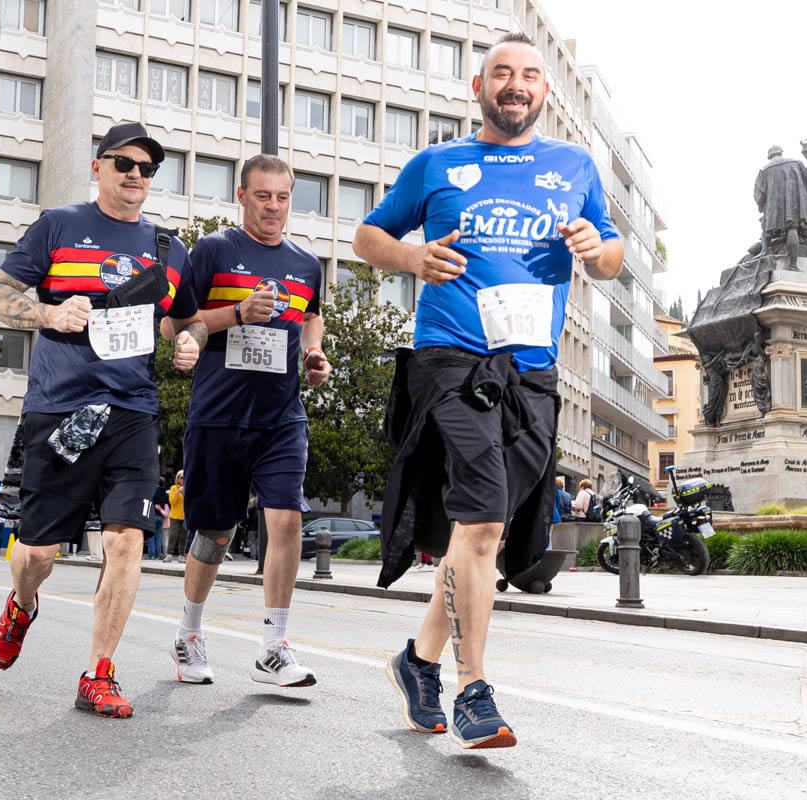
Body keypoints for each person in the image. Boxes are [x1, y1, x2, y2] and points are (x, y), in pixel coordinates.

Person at [352, 32, 622, 749]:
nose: (516, 84)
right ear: (479, 88)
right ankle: (473, 690)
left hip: (530, 371)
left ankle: (417, 661)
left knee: (485, 533)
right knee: (476, 525)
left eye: (530, 75)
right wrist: (411, 255)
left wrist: (599, 251)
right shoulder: (437, 163)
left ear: (543, 93)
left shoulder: (573, 167)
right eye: (502, 73)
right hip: (450, 361)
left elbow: (615, 254)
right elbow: (366, 236)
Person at [0, 122, 200, 717]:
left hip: (132, 410)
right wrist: (49, 314)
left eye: (147, 168)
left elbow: (187, 319)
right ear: (97, 168)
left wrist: (189, 342)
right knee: (36, 555)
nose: (135, 174)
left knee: (127, 539)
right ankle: (22, 604)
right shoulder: (59, 225)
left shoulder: (167, 248)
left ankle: (99, 673)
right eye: (123, 163)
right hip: (60, 407)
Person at [162, 153, 331, 688]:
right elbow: (173, 328)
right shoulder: (212, 251)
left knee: (286, 519)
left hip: (282, 416)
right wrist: (236, 313)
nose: (274, 208)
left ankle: (273, 647)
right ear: (242, 197)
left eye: (282, 198)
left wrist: (313, 355)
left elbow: (311, 317)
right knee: (215, 531)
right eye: (263, 197)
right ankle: (189, 633)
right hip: (218, 415)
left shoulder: (307, 264)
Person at [165, 470, 185, 562]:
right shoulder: (173, 488)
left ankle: (181, 555)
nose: (183, 479)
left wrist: (184, 492)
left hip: (185, 516)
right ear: (178, 479)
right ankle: (169, 555)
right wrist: (178, 492)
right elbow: (172, 501)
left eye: (185, 477)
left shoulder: (189, 487)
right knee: (173, 535)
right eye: (181, 477)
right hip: (175, 516)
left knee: (183, 536)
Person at [150, 476, 169, 560]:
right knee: (158, 536)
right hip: (160, 517)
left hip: (152, 515)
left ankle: (152, 554)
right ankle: (158, 554)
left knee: (150, 535)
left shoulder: (153, 491)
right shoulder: (165, 493)